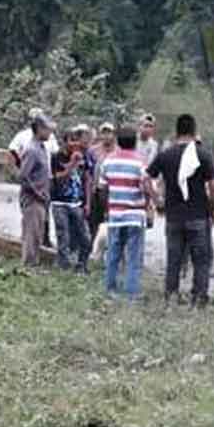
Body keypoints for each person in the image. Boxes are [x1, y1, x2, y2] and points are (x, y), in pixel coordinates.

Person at [146, 114, 214, 306]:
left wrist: (157, 200)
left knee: (174, 259)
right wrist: (212, 208)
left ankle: (171, 296)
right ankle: (199, 298)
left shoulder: (166, 154)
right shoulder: (203, 154)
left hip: (173, 216)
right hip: (198, 215)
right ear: (194, 131)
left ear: (176, 131)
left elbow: (146, 179)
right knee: (201, 261)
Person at [99, 127, 153, 299]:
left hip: (115, 215)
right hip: (135, 216)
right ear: (135, 142)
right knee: (133, 257)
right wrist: (148, 205)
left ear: (118, 141)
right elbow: (146, 188)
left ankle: (110, 289)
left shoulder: (108, 161)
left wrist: (107, 209)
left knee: (113, 254)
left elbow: (102, 188)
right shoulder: (141, 162)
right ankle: (132, 293)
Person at [50, 128, 94, 274]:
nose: (74, 144)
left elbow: (88, 179)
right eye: (71, 140)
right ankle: (64, 268)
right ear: (65, 142)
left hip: (77, 203)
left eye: (76, 140)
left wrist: (87, 202)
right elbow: (58, 178)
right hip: (60, 202)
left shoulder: (84, 156)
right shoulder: (57, 157)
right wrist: (72, 164)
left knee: (85, 237)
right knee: (64, 237)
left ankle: (81, 265)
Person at [17, 115, 55, 269]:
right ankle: (28, 266)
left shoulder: (41, 147)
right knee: (31, 234)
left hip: (41, 199)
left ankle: (34, 264)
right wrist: (37, 193)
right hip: (33, 199)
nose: (50, 133)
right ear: (39, 129)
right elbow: (23, 176)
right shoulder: (32, 150)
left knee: (38, 234)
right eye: (47, 129)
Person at [87, 122, 117, 249]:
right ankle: (91, 248)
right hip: (96, 190)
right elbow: (88, 171)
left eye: (109, 132)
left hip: (112, 191)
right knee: (93, 221)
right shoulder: (93, 150)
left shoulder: (118, 151)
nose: (106, 135)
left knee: (110, 221)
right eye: (104, 132)